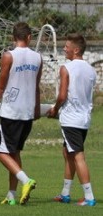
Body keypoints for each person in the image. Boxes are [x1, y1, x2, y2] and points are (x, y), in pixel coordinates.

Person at [0, 22, 42, 205]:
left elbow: (0, 87)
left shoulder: (8, 56)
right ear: (29, 37)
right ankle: (12, 195)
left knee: (1, 152)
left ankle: (26, 180)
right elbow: (37, 87)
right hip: (27, 113)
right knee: (14, 153)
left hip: (11, 112)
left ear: (13, 37)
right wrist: (37, 109)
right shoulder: (38, 57)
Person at [47, 33, 97, 206]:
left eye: (67, 47)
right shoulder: (91, 70)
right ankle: (65, 194)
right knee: (68, 153)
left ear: (76, 50)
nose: (64, 49)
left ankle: (89, 197)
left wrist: (54, 109)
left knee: (77, 156)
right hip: (84, 119)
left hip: (71, 119)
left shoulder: (66, 68)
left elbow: (62, 96)